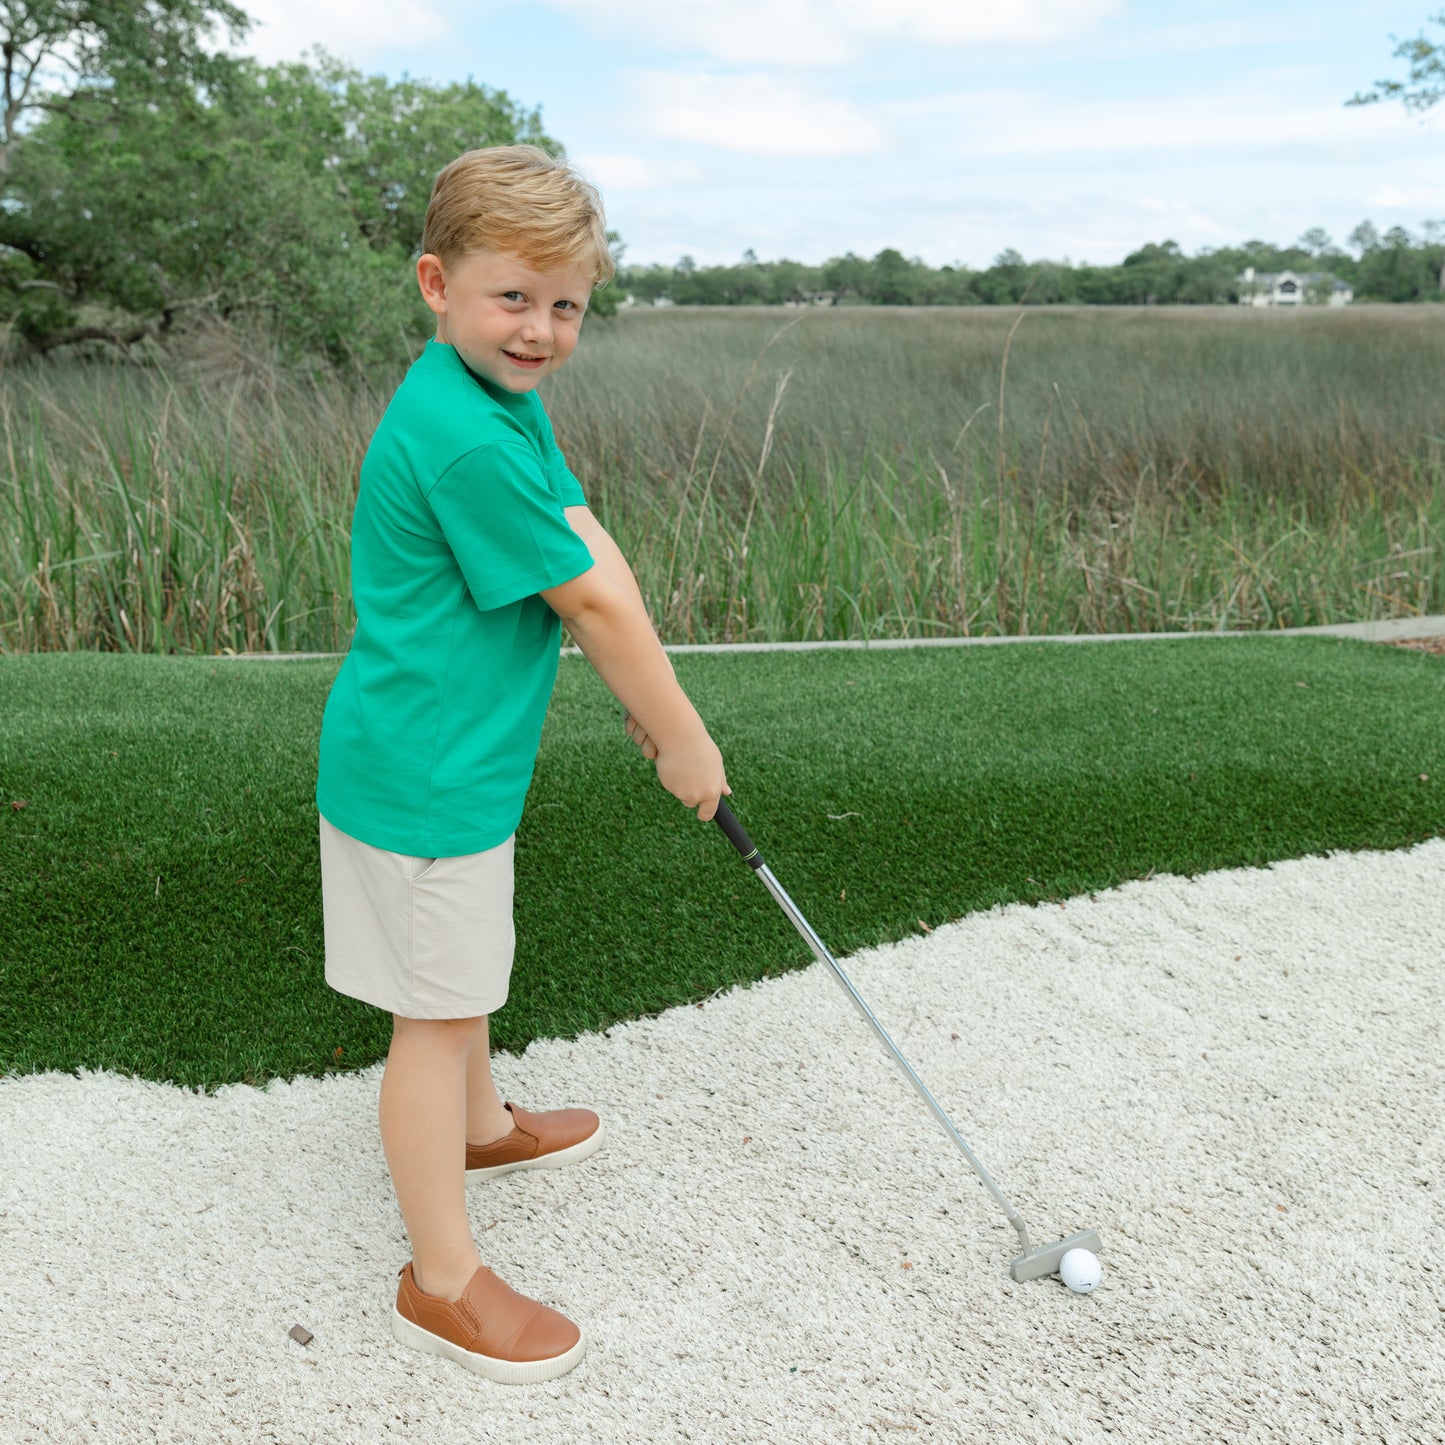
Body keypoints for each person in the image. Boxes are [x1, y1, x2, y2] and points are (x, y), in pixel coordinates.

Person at [315, 145, 729, 1386]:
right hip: (421, 775)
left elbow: (592, 554)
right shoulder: (463, 435)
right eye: (514, 297)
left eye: (566, 306)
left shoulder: (494, 394)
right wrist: (685, 732)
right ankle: (439, 1280)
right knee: (432, 1016)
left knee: (464, 971)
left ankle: (485, 1130)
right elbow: (590, 610)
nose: (541, 329)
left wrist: (657, 706)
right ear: (436, 283)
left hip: (459, 760)